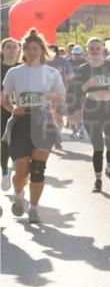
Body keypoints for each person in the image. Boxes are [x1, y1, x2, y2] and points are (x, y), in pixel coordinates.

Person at [1, 29, 67, 223]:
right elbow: (3, 98)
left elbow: (61, 96)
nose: (31, 51)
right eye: (28, 48)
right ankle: (19, 194)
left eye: (35, 48)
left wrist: (49, 96)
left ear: (42, 50)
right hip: (21, 122)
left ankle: (34, 209)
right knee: (21, 171)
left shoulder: (51, 72)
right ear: (24, 51)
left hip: (43, 122)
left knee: (38, 169)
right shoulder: (15, 72)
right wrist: (13, 108)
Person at [73, 37, 110, 192]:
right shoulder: (83, 69)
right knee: (98, 147)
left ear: (103, 49)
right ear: (87, 51)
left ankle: (109, 170)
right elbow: (75, 91)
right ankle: (98, 179)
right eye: (92, 48)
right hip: (92, 109)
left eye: (98, 48)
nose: (95, 51)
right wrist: (86, 85)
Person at [1, 38, 22, 192]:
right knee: (4, 143)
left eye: (14, 47)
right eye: (8, 47)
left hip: (20, 111)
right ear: (2, 50)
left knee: (19, 142)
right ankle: (4, 172)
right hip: (2, 110)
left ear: (18, 50)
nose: (11, 50)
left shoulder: (23, 69)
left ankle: (17, 167)